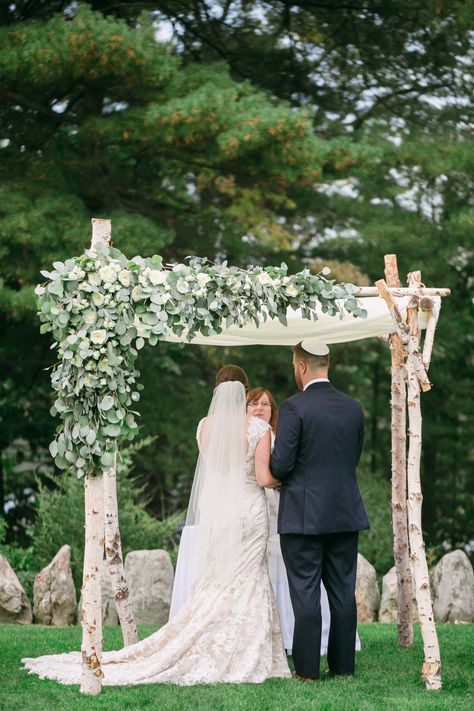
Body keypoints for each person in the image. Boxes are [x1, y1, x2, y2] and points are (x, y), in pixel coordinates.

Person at [22, 365, 291, 686]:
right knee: (248, 578)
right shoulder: (259, 429)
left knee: (217, 580)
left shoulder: (204, 427)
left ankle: (209, 638)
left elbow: (216, 474)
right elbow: (263, 478)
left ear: (217, 392)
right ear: (243, 392)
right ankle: (242, 647)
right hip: (249, 512)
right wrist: (286, 478)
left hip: (218, 515)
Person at [256, 339, 369, 682]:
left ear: (302, 366)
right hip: (345, 513)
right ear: (327, 364)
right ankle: (342, 667)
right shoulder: (354, 407)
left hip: (304, 516)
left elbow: (282, 463)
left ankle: (307, 671)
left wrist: (270, 468)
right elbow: (353, 457)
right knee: (342, 593)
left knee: (305, 594)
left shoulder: (294, 407)